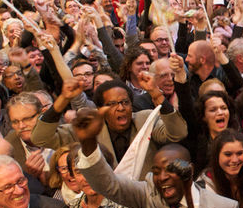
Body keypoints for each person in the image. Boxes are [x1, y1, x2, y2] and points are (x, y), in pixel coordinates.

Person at [73, 108, 240, 208]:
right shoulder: (147, 193)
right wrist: (88, 143)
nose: (162, 178)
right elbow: (108, 184)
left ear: (190, 170)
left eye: (170, 170)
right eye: (156, 171)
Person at [32, 77, 188, 180]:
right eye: (112, 104)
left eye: (125, 102)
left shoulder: (144, 119)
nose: (121, 108)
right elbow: (40, 138)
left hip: (146, 198)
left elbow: (178, 133)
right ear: (100, 109)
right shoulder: (88, 128)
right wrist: (62, 100)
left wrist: (157, 95)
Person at [198, 129, 243, 208]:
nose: (234, 160)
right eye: (228, 154)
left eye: (239, 153)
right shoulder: (204, 187)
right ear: (217, 156)